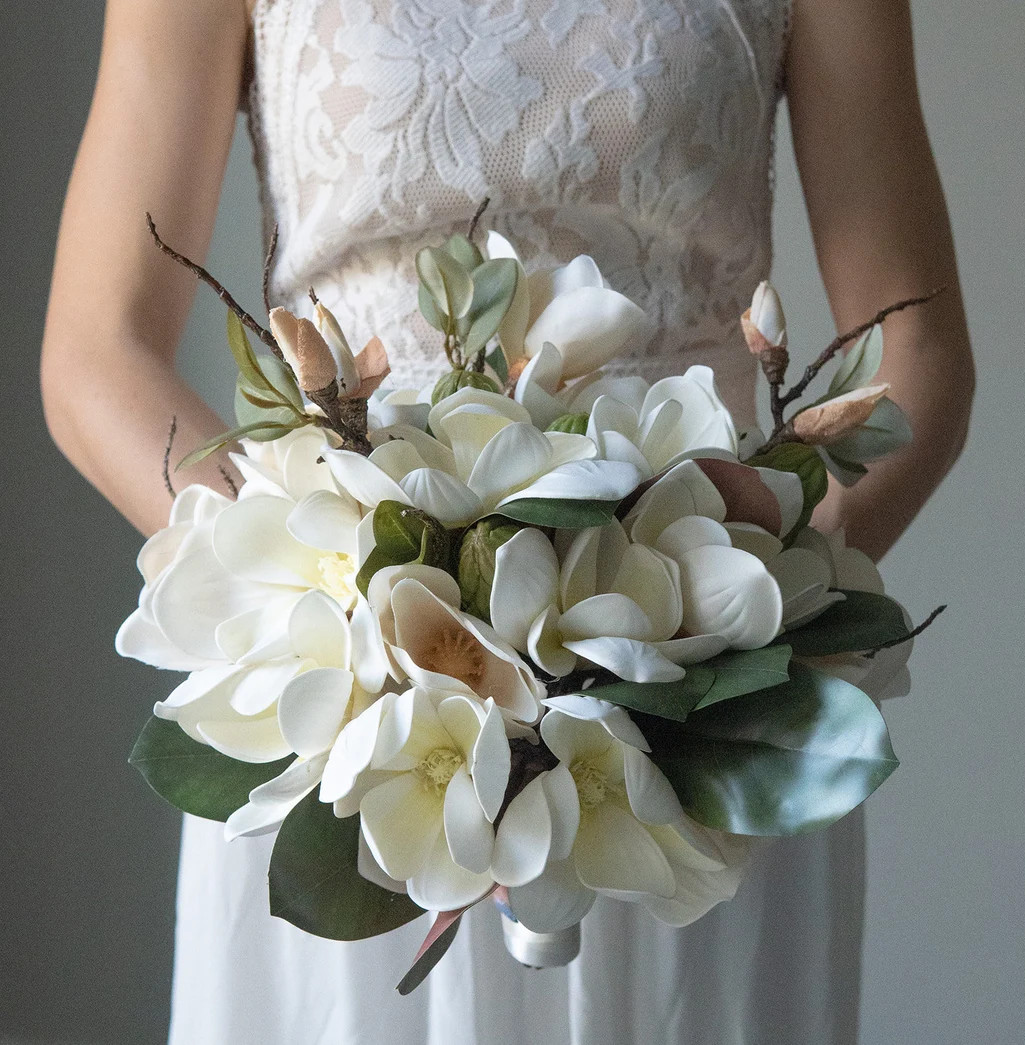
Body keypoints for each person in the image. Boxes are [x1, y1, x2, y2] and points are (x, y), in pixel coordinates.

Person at [41, 1, 974, 1042]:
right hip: (359, 740)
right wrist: (313, 609)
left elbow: (918, 351)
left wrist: (737, 618)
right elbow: (97, 352)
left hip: (694, 719)